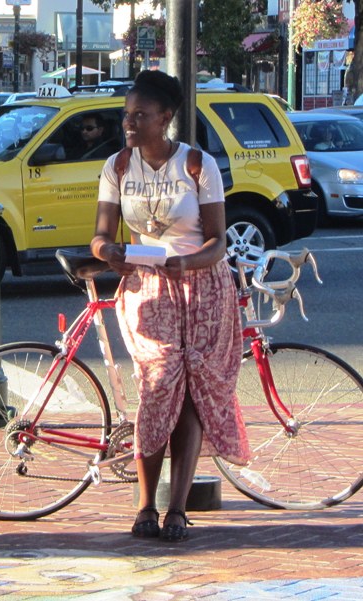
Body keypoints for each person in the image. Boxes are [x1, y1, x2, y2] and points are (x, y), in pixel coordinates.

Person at [90, 70, 249, 543]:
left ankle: (176, 509)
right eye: (126, 116)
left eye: (140, 115)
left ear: (166, 119)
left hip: (201, 287)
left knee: (193, 392)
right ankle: (144, 506)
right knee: (157, 386)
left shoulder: (198, 166)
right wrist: (109, 253)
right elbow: (100, 234)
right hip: (148, 288)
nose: (130, 124)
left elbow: (219, 242)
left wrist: (189, 261)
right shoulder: (117, 167)